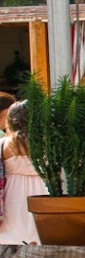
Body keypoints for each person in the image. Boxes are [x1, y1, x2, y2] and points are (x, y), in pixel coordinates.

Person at [0, 100, 45, 245]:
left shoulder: (3, 145)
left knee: (10, 244)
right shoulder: (50, 144)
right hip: (44, 199)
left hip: (12, 200)